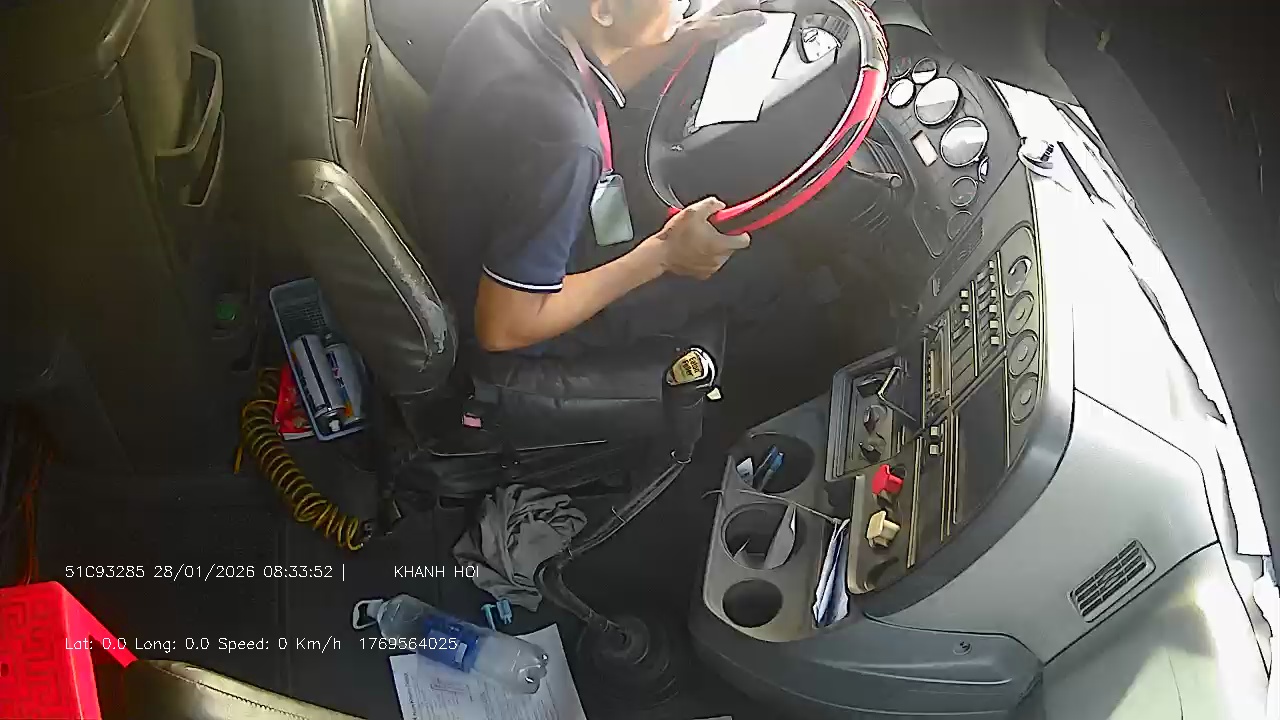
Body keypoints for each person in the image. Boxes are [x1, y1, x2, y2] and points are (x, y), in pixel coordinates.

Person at [422, 0, 786, 357]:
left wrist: (682, 36)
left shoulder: (505, 15)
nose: (688, 2)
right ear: (604, 11)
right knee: (764, 267)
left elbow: (583, 82)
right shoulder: (566, 146)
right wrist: (663, 254)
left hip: (465, 223)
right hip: (520, 305)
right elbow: (502, 328)